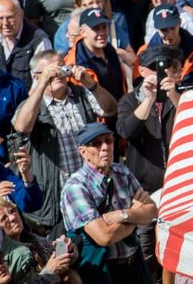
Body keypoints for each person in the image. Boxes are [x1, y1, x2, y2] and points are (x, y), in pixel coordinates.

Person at [12, 49, 117, 236]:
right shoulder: (32, 105)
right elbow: (21, 127)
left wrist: (90, 83)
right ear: (36, 76)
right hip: (56, 197)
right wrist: (42, 83)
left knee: (95, 244)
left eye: (61, 67)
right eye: (51, 71)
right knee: (62, 248)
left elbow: (110, 109)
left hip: (91, 191)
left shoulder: (81, 95)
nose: (58, 74)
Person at [60, 122, 158, 284]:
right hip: (103, 269)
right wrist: (136, 216)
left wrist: (124, 214)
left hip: (135, 263)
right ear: (83, 152)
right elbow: (104, 237)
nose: (105, 147)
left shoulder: (122, 171)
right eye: (97, 143)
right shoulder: (76, 187)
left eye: (108, 140)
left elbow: (153, 211)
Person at [116, 44, 182, 281]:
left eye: (164, 66)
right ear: (142, 71)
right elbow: (126, 131)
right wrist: (149, 99)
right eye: (153, 67)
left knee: (174, 247)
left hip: (176, 186)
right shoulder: (130, 100)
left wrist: (173, 95)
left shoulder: (181, 97)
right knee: (146, 245)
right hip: (144, 188)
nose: (159, 72)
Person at [139, 4, 193, 89]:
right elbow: (137, 90)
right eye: (164, 30)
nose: (169, 34)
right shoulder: (144, 54)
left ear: (180, 23)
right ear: (156, 28)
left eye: (173, 28)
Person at [0, 0, 52, 89]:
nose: (5, 23)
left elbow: (42, 81)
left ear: (21, 14)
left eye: (10, 17)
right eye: (0, 18)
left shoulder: (39, 41)